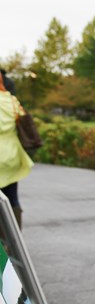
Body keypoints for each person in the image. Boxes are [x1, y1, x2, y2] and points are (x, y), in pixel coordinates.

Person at [0, 76, 32, 229]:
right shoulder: (11, 100)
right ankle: (14, 240)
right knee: (12, 198)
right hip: (11, 154)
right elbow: (22, 118)